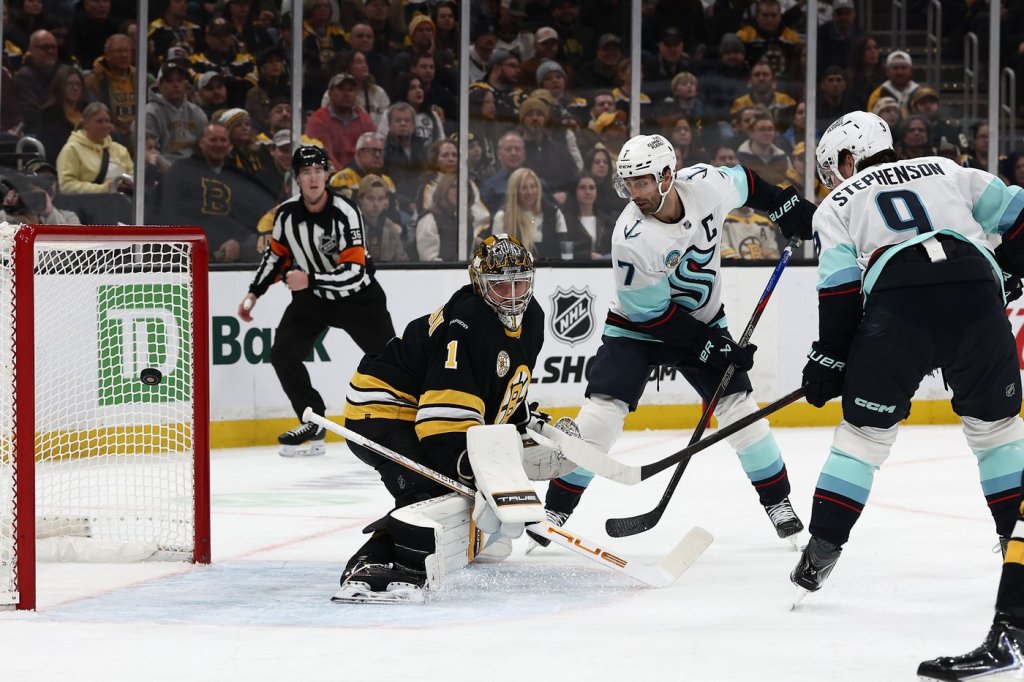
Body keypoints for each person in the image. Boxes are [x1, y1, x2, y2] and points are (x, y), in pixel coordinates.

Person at [533, 133, 817, 544]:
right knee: (601, 417)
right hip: (637, 329)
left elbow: (747, 182)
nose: (635, 194)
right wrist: (708, 344)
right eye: (629, 184)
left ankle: (778, 503)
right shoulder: (630, 237)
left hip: (701, 320)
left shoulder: (705, 184)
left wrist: (784, 206)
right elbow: (652, 315)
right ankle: (555, 510)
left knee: (740, 409)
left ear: (667, 176)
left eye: (643, 182)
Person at [791, 111, 1024, 604]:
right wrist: (1006, 267)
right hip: (975, 296)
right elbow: (1018, 211)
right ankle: (1018, 548)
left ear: (849, 158)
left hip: (898, 310)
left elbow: (839, 290)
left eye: (834, 169)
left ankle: (822, 550)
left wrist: (831, 357)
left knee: (863, 437)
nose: (834, 180)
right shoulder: (948, 169)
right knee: (998, 433)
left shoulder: (836, 204)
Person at [333, 233, 544, 602]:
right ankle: (370, 564)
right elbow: (440, 423)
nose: (512, 295)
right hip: (381, 408)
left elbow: (496, 383)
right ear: (480, 284)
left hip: (416, 408)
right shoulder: (468, 322)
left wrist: (522, 417)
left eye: (520, 283)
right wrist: (469, 469)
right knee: (431, 493)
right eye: (500, 286)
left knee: (452, 490)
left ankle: (456, 543)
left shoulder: (533, 316)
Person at [238, 146, 397, 458]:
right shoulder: (286, 214)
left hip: (358, 299)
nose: (313, 178)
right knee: (283, 355)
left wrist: (309, 280)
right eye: (306, 172)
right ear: (296, 179)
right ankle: (312, 421)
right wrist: (254, 293)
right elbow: (276, 257)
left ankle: (410, 420)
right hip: (313, 299)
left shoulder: (345, 212)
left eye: (318, 171)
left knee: (392, 362)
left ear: (327, 175)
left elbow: (355, 272)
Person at [55, 102, 134, 195]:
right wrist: (104, 188)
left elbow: (134, 177)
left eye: (107, 121)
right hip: (87, 203)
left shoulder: (120, 150)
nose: (105, 125)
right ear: (86, 124)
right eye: (99, 121)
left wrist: (127, 185)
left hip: (122, 201)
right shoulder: (71, 150)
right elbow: (66, 186)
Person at [358, 173, 407, 263]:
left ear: (386, 201)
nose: (376, 204)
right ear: (361, 199)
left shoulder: (390, 227)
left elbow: (401, 261)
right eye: (370, 198)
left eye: (380, 199)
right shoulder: (349, 226)